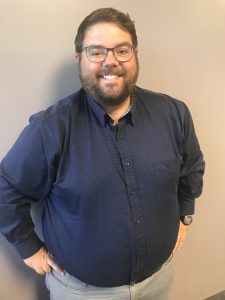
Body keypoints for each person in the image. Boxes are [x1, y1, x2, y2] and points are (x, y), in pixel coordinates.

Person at [0, 7, 205, 300]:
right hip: (83, 292)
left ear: (135, 54)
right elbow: (5, 189)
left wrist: (186, 213)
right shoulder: (51, 129)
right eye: (96, 52)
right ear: (79, 58)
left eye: (122, 50)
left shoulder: (173, 114)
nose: (111, 62)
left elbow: (192, 167)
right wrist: (28, 248)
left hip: (158, 280)